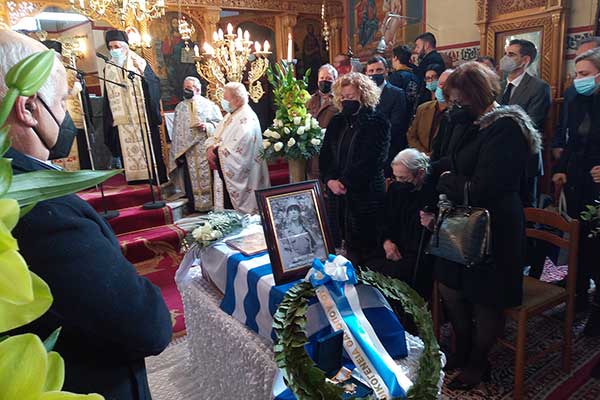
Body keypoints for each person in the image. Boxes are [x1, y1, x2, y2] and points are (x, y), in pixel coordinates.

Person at [0, 30, 172, 399]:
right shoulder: (41, 213)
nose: (66, 116)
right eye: (61, 102)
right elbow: (147, 324)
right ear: (28, 108)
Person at [422, 61, 540, 389]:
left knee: (485, 296)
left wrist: (448, 179)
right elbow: (452, 161)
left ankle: (478, 360)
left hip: (495, 226)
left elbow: (486, 187)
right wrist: (434, 170)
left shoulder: (506, 126)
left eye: (459, 100)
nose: (453, 106)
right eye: (451, 100)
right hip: (462, 220)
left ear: (477, 95)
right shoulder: (469, 121)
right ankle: (462, 344)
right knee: (450, 284)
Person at [319, 72, 390, 265]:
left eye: (350, 96)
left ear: (363, 95)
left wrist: (345, 182)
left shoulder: (377, 122)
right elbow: (326, 156)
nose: (345, 100)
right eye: (342, 97)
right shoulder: (336, 121)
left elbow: (372, 160)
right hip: (337, 194)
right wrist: (330, 180)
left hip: (365, 195)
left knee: (365, 251)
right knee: (339, 247)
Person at [552, 48, 600, 334]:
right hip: (578, 180)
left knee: (597, 247)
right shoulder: (577, 98)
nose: (578, 79)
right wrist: (561, 168)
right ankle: (578, 296)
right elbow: (572, 140)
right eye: (577, 73)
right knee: (578, 241)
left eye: (584, 74)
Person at [103, 29, 167, 184]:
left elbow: (155, 86)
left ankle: (154, 180)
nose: (113, 50)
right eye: (110, 47)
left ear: (125, 46)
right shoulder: (108, 68)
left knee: (150, 152)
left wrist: (144, 74)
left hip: (142, 118)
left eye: (117, 46)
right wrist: (109, 118)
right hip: (122, 119)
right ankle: (134, 182)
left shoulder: (140, 63)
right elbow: (107, 97)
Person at [498, 38, 550, 207]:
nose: (505, 58)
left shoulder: (538, 87)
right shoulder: (498, 86)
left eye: (511, 54)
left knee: (524, 207)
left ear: (525, 60)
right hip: (497, 156)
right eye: (505, 54)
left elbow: (531, 123)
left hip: (523, 157)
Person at [376, 149, 436, 298]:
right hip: (393, 246)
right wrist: (386, 242)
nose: (399, 182)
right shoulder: (396, 188)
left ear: (420, 173)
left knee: (397, 275)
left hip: (419, 255)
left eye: (403, 178)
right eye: (396, 177)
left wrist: (432, 225)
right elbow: (384, 219)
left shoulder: (433, 193)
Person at [206, 82, 270, 214]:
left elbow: (241, 146)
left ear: (237, 99)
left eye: (225, 98)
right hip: (223, 167)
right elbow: (217, 135)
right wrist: (210, 146)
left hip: (243, 171)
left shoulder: (246, 116)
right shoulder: (231, 114)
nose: (223, 101)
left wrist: (217, 151)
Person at [169, 77, 223, 212]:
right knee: (190, 178)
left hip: (204, 147)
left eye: (189, 87)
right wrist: (178, 151)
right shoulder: (180, 107)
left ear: (197, 89)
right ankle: (194, 206)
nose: (186, 90)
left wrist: (207, 126)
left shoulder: (209, 105)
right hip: (188, 150)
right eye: (184, 88)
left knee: (208, 176)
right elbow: (177, 131)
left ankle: (211, 205)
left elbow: (220, 125)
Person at [552, 36, 600, 161]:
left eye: (588, 54)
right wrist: (558, 144)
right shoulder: (573, 92)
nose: (577, 79)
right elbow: (564, 121)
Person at [365, 55, 409, 178]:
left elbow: (396, 126)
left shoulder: (397, 94)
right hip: (365, 153)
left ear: (386, 71)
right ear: (366, 74)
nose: (375, 74)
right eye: (371, 71)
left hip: (388, 151)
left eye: (379, 70)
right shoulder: (362, 94)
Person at [407, 69, 452, 154]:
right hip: (420, 157)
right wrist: (424, 154)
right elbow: (411, 135)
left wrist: (433, 156)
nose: (442, 88)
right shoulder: (423, 108)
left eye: (447, 85)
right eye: (440, 84)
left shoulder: (457, 115)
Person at [306, 64, 339, 180]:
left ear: (335, 81)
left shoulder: (339, 101)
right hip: (312, 153)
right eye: (322, 78)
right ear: (317, 81)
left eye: (329, 78)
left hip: (331, 150)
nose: (325, 81)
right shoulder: (309, 100)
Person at [280, 204, 320, 269]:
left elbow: (316, 247)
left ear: (299, 213)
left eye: (295, 209)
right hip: (296, 265)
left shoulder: (307, 229)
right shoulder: (285, 233)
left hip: (311, 263)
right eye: (291, 210)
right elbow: (286, 254)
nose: (293, 212)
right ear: (287, 214)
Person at [389, 44, 421, 118]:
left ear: (395, 58)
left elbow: (390, 100)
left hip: (397, 116)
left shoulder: (395, 77)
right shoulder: (415, 76)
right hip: (411, 115)